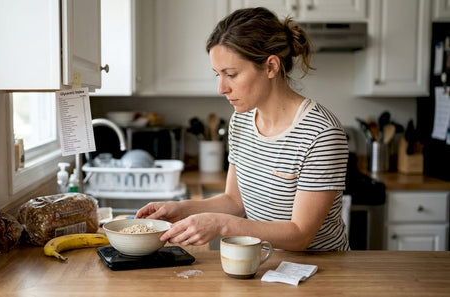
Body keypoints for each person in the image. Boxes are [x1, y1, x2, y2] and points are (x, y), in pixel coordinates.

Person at [136, 7, 350, 251]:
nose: (221, 88)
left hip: (322, 274)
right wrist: (180, 209)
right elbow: (234, 201)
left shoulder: (322, 133)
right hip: (265, 266)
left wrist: (222, 225)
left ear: (270, 67)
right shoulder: (242, 121)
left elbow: (300, 235)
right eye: (218, 74)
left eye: (231, 74)